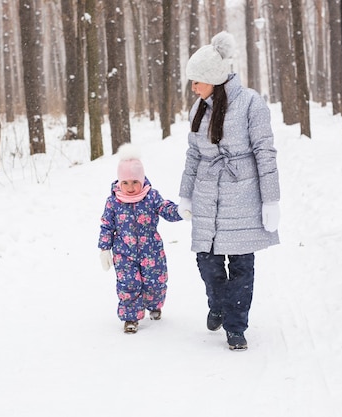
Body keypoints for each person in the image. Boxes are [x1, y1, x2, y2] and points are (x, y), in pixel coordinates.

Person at [178, 31, 281, 350]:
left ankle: (236, 326)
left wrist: (271, 198)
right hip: (208, 194)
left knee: (240, 264)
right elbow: (193, 153)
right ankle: (219, 303)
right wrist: (185, 194)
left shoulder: (251, 103)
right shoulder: (199, 108)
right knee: (206, 261)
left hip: (243, 194)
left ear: (213, 79)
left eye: (197, 81)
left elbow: (265, 150)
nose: (193, 87)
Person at [98, 143, 184, 334]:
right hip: (123, 253)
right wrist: (104, 248)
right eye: (125, 183)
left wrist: (181, 211)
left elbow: (165, 209)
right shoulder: (113, 201)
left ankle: (154, 304)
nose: (130, 187)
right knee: (128, 283)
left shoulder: (151, 196)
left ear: (142, 180)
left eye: (135, 182)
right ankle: (130, 317)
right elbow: (106, 225)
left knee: (155, 281)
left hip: (151, 250)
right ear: (119, 182)